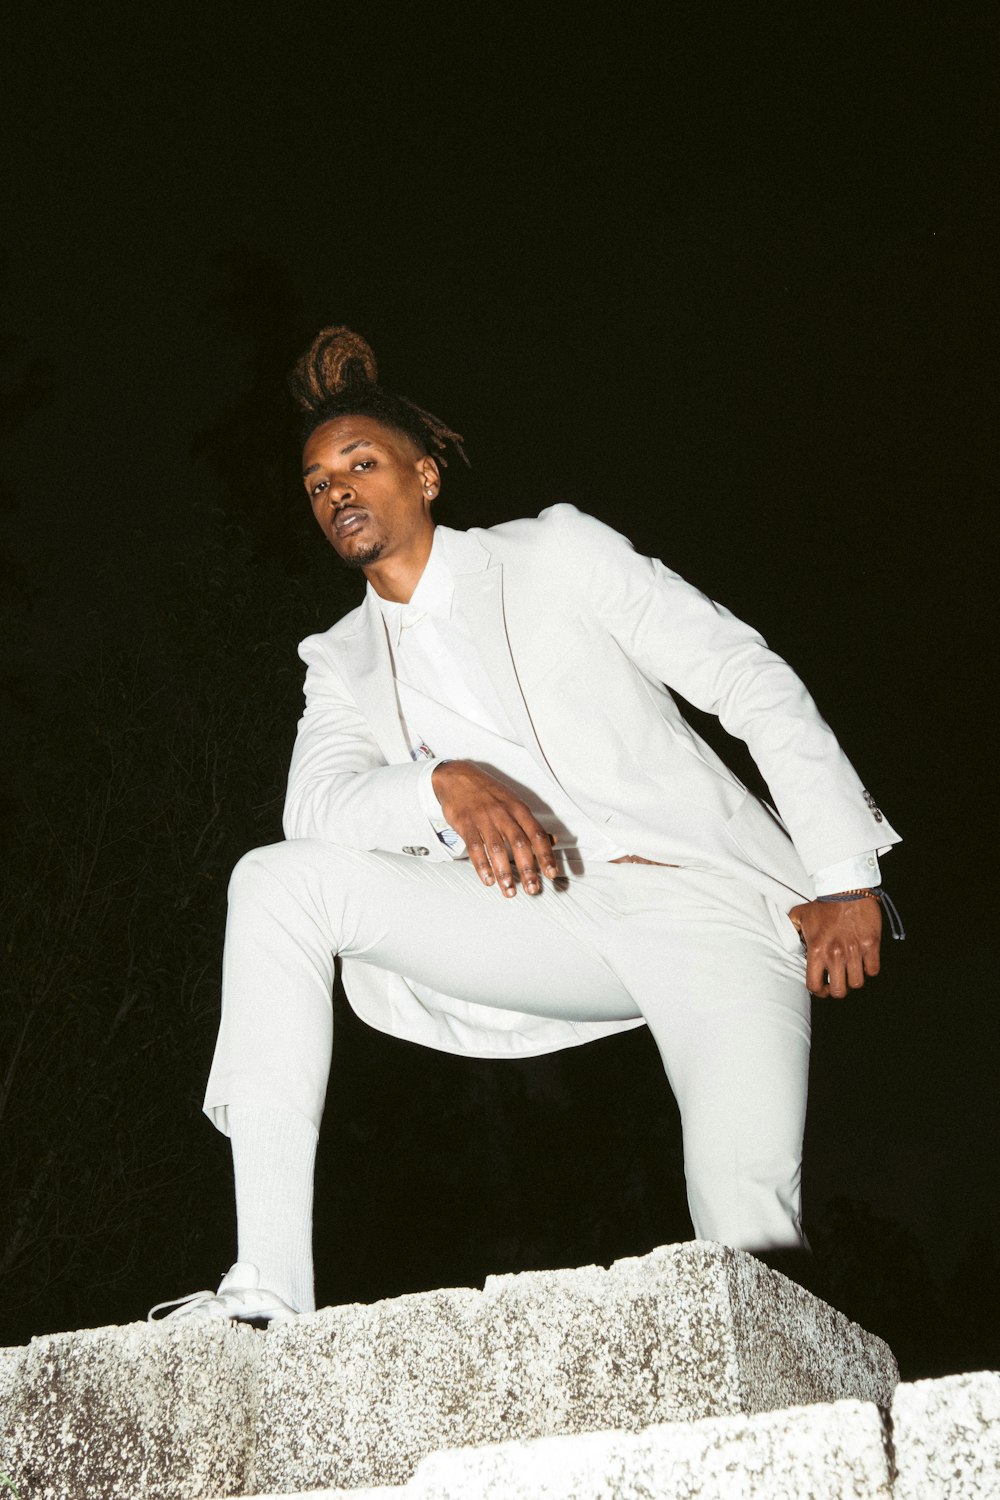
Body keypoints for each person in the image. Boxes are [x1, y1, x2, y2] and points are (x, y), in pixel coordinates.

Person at [149, 327, 901, 1327]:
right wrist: (439, 784)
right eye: (315, 481)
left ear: (422, 475)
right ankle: (267, 1294)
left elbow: (743, 676)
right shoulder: (340, 661)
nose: (334, 490)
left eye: (359, 464)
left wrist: (843, 871)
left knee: (747, 1234)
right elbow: (316, 813)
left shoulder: (554, 555)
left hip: (707, 905)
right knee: (278, 880)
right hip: (543, 914)